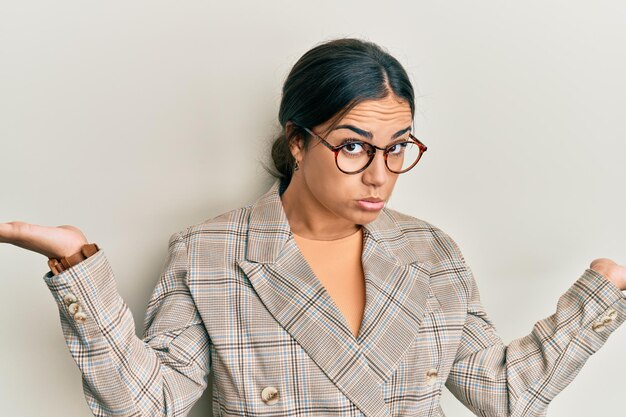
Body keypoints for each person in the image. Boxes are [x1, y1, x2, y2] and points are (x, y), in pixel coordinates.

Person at [1, 38, 625, 417]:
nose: (380, 174)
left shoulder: (431, 254)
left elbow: (501, 396)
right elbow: (150, 404)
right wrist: (78, 267)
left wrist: (603, 291)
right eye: (354, 147)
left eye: (398, 147)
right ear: (298, 142)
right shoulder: (212, 252)